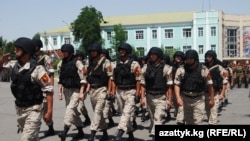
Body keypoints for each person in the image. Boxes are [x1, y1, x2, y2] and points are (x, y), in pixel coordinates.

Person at [10, 37, 53, 140]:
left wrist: (49, 111)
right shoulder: (14, 66)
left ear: (26, 51)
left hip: (34, 109)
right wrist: (2, 61)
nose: (15, 51)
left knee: (27, 138)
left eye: (18, 49)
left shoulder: (38, 69)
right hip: (20, 109)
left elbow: (49, 90)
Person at [174, 49, 214, 125]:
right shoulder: (181, 69)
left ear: (195, 59)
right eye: (187, 59)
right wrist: (178, 98)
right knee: (188, 122)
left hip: (198, 99)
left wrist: (212, 99)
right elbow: (176, 84)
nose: (188, 61)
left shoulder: (203, 69)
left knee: (198, 122)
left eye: (191, 59)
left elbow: (210, 85)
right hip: (185, 98)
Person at [140, 47, 173, 140]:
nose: (151, 56)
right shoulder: (145, 68)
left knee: (158, 118)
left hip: (161, 97)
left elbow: (169, 86)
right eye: (150, 54)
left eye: (154, 54)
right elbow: (142, 84)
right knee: (152, 118)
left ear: (159, 56)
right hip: (149, 96)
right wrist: (142, 98)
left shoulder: (166, 68)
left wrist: (169, 100)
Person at [112, 43, 141, 141]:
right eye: (120, 50)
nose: (121, 51)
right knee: (124, 113)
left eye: (123, 50)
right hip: (119, 91)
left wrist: (137, 94)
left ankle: (119, 133)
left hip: (130, 91)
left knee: (127, 113)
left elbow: (138, 80)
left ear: (128, 51)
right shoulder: (115, 64)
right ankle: (131, 134)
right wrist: (112, 92)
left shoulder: (134, 64)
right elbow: (113, 79)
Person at [58, 44, 86, 141]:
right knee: (73, 112)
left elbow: (83, 79)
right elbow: (60, 79)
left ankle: (64, 132)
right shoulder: (62, 63)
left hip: (76, 90)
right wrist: (60, 92)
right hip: (67, 90)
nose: (64, 54)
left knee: (70, 109)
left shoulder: (77, 62)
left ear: (70, 52)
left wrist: (82, 92)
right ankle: (81, 132)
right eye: (63, 52)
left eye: (65, 52)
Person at [86, 44, 112, 141]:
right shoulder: (90, 62)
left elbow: (110, 77)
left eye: (94, 51)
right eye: (91, 51)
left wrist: (109, 91)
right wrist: (87, 88)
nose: (92, 52)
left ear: (98, 52)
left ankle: (92, 134)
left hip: (102, 89)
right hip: (93, 90)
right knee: (98, 113)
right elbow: (88, 77)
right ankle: (104, 131)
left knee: (97, 111)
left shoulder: (106, 62)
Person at [33, 39, 55, 136]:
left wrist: (50, 88)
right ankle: (33, 130)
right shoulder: (31, 57)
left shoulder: (45, 58)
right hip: (34, 87)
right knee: (35, 110)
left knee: (45, 111)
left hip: (44, 86)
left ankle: (50, 127)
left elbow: (51, 73)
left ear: (38, 46)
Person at [204, 50, 228, 125]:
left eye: (209, 57)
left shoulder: (219, 68)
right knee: (208, 113)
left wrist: (222, 94)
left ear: (213, 57)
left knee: (213, 113)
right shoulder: (203, 67)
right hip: (205, 94)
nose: (207, 58)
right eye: (206, 57)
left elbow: (225, 81)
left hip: (215, 94)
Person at [75, 50, 91, 126]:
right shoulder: (74, 64)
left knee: (80, 104)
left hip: (84, 85)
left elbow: (86, 75)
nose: (79, 58)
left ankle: (76, 120)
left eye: (80, 56)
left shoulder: (84, 65)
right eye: (78, 56)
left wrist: (88, 87)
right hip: (76, 86)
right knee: (81, 105)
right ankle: (87, 119)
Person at [101, 48, 115, 128]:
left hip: (108, 87)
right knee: (106, 105)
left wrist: (112, 91)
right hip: (101, 88)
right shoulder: (99, 63)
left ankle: (102, 125)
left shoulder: (110, 64)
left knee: (106, 106)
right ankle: (110, 121)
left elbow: (112, 79)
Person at [171, 51, 185, 124]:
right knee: (177, 107)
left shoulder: (185, 66)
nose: (177, 58)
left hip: (183, 90)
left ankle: (181, 121)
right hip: (174, 90)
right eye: (176, 57)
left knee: (181, 107)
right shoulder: (172, 67)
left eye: (179, 57)